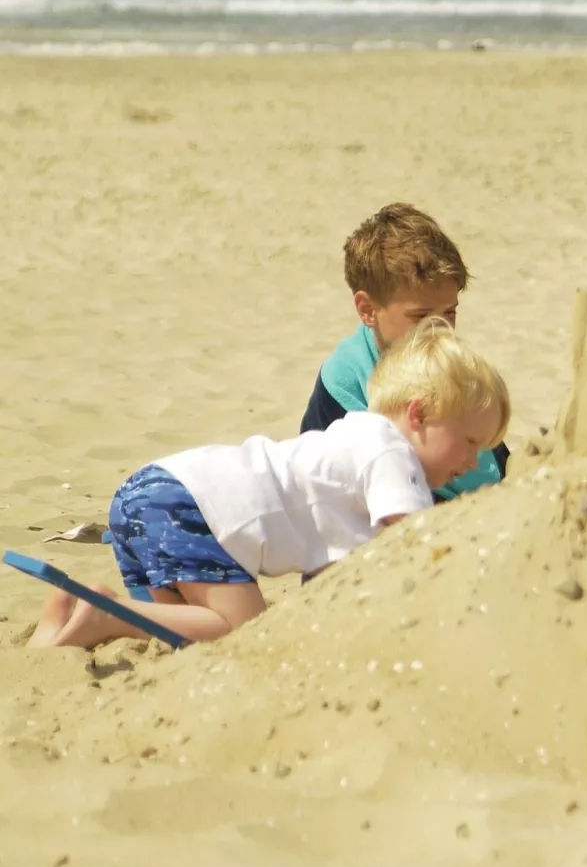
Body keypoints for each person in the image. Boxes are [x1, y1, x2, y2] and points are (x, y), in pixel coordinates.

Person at [29, 318, 511, 650]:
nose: (473, 462)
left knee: (184, 635)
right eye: (469, 442)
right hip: (193, 512)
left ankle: (66, 615)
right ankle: (107, 615)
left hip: (151, 493)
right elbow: (412, 546)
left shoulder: (352, 439)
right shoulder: (392, 453)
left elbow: (338, 577)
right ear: (419, 414)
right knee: (243, 632)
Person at [301, 202, 510, 502]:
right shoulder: (346, 382)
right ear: (368, 309)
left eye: (450, 312)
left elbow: (493, 449)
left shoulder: (452, 364)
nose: (439, 329)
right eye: (421, 316)